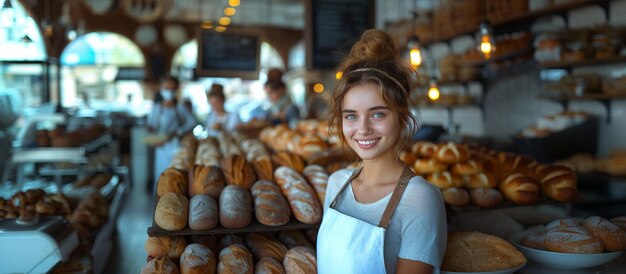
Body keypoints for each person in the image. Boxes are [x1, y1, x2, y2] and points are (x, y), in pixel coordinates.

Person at [316, 29, 447, 274]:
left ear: (401, 117)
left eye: (377, 114)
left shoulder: (420, 199)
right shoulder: (336, 184)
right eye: (352, 116)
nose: (362, 129)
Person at [146, 76, 198, 185]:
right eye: (166, 88)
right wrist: (150, 130)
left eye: (172, 89)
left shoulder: (180, 107)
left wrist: (177, 132)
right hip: (160, 147)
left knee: (174, 177)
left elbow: (192, 122)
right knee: (161, 177)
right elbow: (151, 125)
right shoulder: (156, 107)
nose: (169, 92)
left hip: (176, 147)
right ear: (161, 88)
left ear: (177, 89)